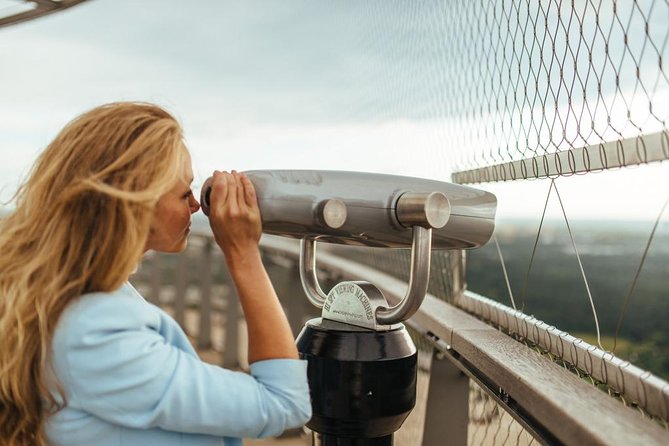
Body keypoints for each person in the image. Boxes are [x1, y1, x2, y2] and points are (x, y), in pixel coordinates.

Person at [0, 102, 312, 446]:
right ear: (135, 205)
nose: (196, 205)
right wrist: (243, 253)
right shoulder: (96, 334)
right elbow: (283, 402)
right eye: (184, 192)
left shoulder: (84, 297)